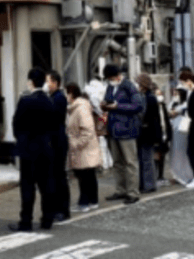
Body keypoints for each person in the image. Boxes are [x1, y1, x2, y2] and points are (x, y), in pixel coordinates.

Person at [9, 67, 57, 231]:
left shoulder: (25, 100)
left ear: (30, 82)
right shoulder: (49, 101)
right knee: (46, 185)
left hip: (28, 149)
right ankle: (47, 219)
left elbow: (16, 123)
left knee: (28, 186)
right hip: (45, 147)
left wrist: (21, 138)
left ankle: (26, 221)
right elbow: (54, 125)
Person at [101, 64, 144, 204]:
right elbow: (108, 100)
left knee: (130, 162)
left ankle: (133, 192)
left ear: (118, 76)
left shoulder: (129, 86)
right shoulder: (110, 87)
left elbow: (138, 106)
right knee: (117, 163)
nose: (110, 80)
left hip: (127, 129)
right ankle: (121, 190)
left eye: (111, 78)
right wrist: (104, 104)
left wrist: (118, 106)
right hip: (113, 129)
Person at [65, 83, 100, 212]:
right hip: (85, 148)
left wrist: (76, 143)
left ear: (71, 94)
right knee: (88, 175)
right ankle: (92, 201)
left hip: (84, 148)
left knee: (84, 176)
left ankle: (84, 203)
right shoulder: (79, 107)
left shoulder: (80, 108)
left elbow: (88, 130)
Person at [46, 70, 70, 221]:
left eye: (48, 81)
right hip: (53, 140)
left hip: (58, 140)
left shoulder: (59, 97)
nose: (46, 84)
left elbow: (53, 117)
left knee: (59, 175)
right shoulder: (53, 97)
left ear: (55, 83)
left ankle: (63, 209)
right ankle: (55, 208)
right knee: (53, 175)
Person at [135, 73, 161, 194]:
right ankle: (144, 184)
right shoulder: (145, 96)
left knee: (146, 159)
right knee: (143, 159)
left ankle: (149, 185)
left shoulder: (149, 98)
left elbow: (154, 118)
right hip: (144, 133)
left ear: (143, 85)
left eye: (138, 83)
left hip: (147, 132)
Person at [167, 83, 194, 185]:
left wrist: (174, 112)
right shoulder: (174, 102)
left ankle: (186, 175)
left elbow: (173, 113)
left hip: (183, 130)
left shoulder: (186, 104)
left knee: (182, 153)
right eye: (174, 91)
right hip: (174, 130)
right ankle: (177, 175)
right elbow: (169, 113)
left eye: (177, 92)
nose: (174, 93)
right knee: (175, 153)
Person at [153, 84, 172, 187]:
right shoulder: (152, 106)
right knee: (156, 156)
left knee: (162, 155)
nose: (160, 96)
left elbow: (166, 120)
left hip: (164, 134)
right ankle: (155, 176)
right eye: (157, 94)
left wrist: (169, 134)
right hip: (157, 134)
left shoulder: (163, 105)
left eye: (160, 93)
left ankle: (160, 176)